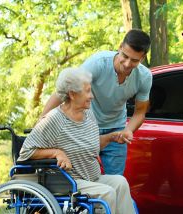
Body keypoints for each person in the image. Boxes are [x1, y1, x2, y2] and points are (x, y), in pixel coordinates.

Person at [19, 67, 135, 214]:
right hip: (70, 182)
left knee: (120, 182)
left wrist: (111, 137)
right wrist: (56, 152)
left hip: (92, 177)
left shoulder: (88, 114)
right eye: (87, 91)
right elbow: (26, 152)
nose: (92, 96)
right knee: (107, 192)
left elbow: (88, 145)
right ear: (72, 94)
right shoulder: (54, 120)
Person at [40, 29, 152, 175]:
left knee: (116, 181)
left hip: (115, 130)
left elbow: (140, 112)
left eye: (134, 60)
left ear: (142, 59)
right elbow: (67, 90)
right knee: (82, 180)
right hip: (86, 128)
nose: (127, 63)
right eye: (125, 56)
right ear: (120, 47)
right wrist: (42, 120)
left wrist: (128, 130)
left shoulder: (144, 77)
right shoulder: (98, 63)